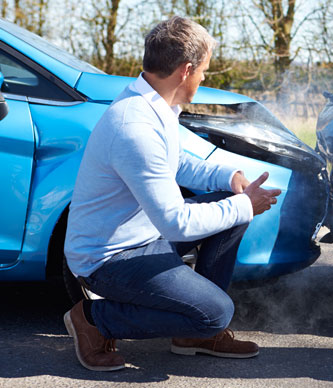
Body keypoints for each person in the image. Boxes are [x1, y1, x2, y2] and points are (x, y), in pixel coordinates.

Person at [63, 16, 281, 372]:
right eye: (204, 72)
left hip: (143, 237)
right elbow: (176, 223)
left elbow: (177, 162)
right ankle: (93, 319)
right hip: (108, 259)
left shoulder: (152, 105)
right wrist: (243, 205)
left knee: (228, 210)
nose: (204, 79)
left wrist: (231, 178)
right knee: (217, 312)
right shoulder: (134, 126)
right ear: (186, 70)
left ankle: (192, 333)